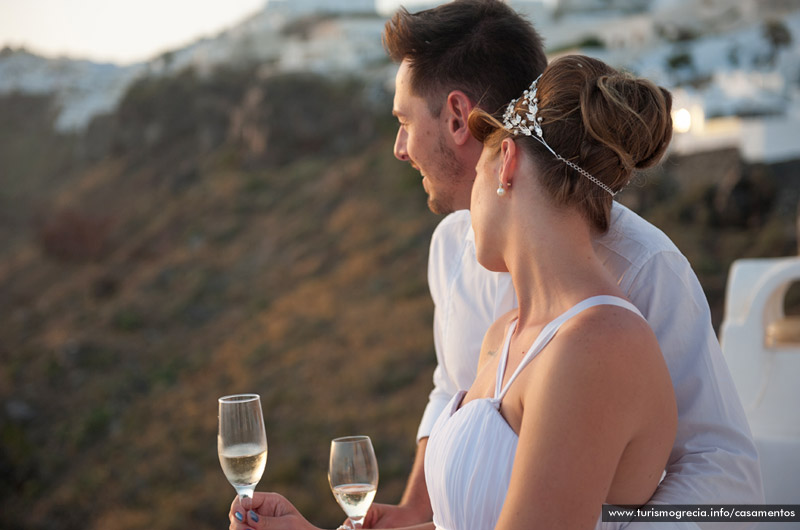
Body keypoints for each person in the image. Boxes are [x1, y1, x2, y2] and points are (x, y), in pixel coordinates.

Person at [229, 1, 763, 529]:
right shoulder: (460, 264)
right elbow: (453, 394)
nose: (398, 147)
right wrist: (418, 511)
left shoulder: (639, 273)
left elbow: (723, 471)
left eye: (403, 121)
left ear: (466, 123)